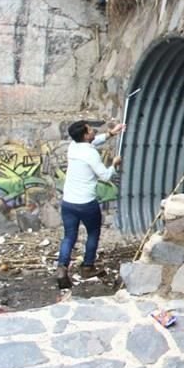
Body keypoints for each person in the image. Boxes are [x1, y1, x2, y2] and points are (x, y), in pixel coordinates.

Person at [55, 120, 125, 289]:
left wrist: (111, 134)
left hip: (69, 202)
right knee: (93, 233)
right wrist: (114, 165)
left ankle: (62, 267)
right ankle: (87, 266)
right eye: (90, 129)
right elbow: (105, 176)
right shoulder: (91, 154)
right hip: (86, 203)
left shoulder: (73, 146)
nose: (93, 130)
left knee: (69, 236)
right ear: (85, 135)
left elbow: (94, 141)